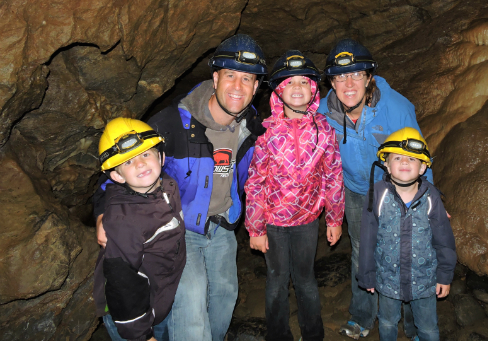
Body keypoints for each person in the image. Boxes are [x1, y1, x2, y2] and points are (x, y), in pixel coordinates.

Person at [93, 34, 268, 341]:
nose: (238, 87)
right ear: (215, 78)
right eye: (230, 76)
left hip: (224, 226)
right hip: (181, 226)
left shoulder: (252, 124)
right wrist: (100, 213)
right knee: (191, 302)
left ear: (256, 87)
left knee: (225, 298)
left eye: (248, 79)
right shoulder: (173, 123)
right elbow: (119, 168)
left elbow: (257, 174)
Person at [318, 38, 434, 339]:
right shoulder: (322, 113)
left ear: (369, 77)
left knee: (406, 251)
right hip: (356, 192)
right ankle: (362, 315)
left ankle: (413, 324)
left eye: (356, 74)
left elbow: (420, 154)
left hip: (398, 191)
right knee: (362, 250)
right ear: (332, 81)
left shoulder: (394, 108)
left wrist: (430, 203)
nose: (349, 83)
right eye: (341, 76)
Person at [245, 50, 345, 341]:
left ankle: (313, 335)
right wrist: (255, 227)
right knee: (276, 281)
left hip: (307, 221)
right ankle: (279, 335)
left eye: (303, 82)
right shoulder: (266, 132)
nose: (297, 88)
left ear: (313, 88)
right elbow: (255, 182)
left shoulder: (324, 129)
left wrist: (334, 219)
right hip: (273, 223)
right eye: (289, 82)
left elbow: (333, 176)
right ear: (278, 90)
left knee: (305, 280)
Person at [358, 128, 456, 341]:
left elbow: (444, 240)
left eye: (412, 159)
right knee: (386, 322)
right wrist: (367, 274)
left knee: (428, 328)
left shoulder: (432, 198)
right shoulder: (377, 195)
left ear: (422, 168)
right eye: (398, 158)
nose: (404, 163)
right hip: (387, 279)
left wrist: (444, 275)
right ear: (386, 164)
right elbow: (366, 239)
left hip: (424, 280)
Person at [93, 117, 186, 341]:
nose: (140, 163)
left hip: (157, 298)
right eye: (128, 162)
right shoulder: (124, 221)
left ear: (161, 157)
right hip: (131, 315)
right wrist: (141, 335)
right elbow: (122, 282)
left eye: (146, 154)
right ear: (116, 176)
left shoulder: (166, 185)